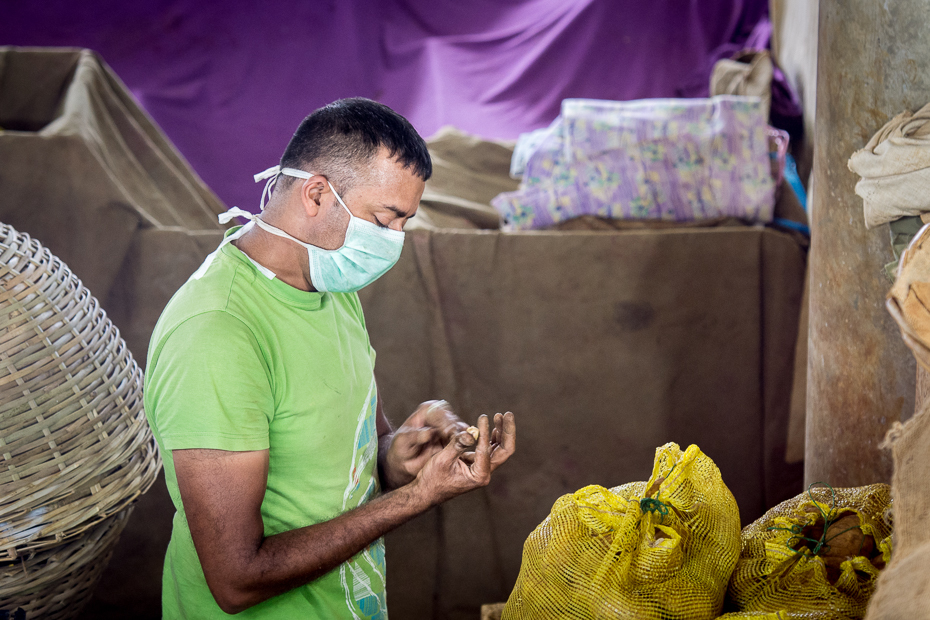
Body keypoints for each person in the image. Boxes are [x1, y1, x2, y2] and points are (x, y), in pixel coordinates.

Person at [143, 97, 516, 619]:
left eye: (405, 222)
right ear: (317, 193)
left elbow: (360, 462)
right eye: (385, 220)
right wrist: (415, 499)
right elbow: (236, 579)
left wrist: (408, 454)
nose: (395, 241)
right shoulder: (218, 333)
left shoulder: (332, 286)